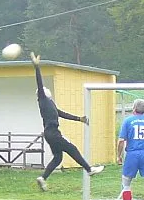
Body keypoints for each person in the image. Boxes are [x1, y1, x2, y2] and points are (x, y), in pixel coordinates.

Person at [30, 52, 104, 192]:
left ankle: (43, 178)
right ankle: (89, 169)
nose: (46, 90)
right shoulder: (43, 100)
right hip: (53, 132)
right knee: (72, 148)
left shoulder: (50, 104)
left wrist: (79, 119)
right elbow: (40, 84)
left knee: (58, 158)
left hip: (49, 133)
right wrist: (37, 67)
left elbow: (61, 113)